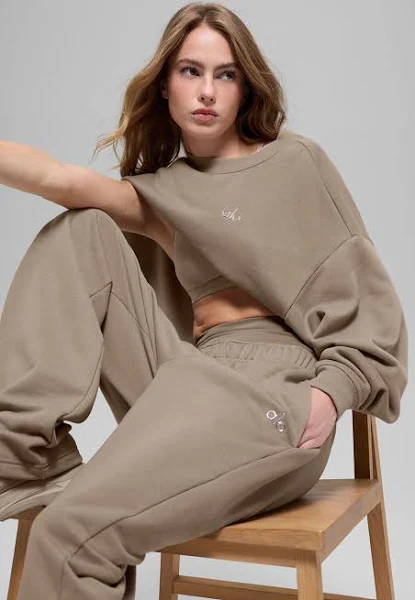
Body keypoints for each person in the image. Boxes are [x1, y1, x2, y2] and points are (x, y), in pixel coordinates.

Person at [0, 3, 407, 599]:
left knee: (68, 533)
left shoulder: (296, 163)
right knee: (80, 228)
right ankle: (18, 454)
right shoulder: (166, 192)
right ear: (165, 85)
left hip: (273, 391)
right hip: (189, 378)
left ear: (246, 89)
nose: (208, 91)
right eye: (191, 71)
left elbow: (374, 310)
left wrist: (330, 394)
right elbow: (58, 180)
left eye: (226, 74)